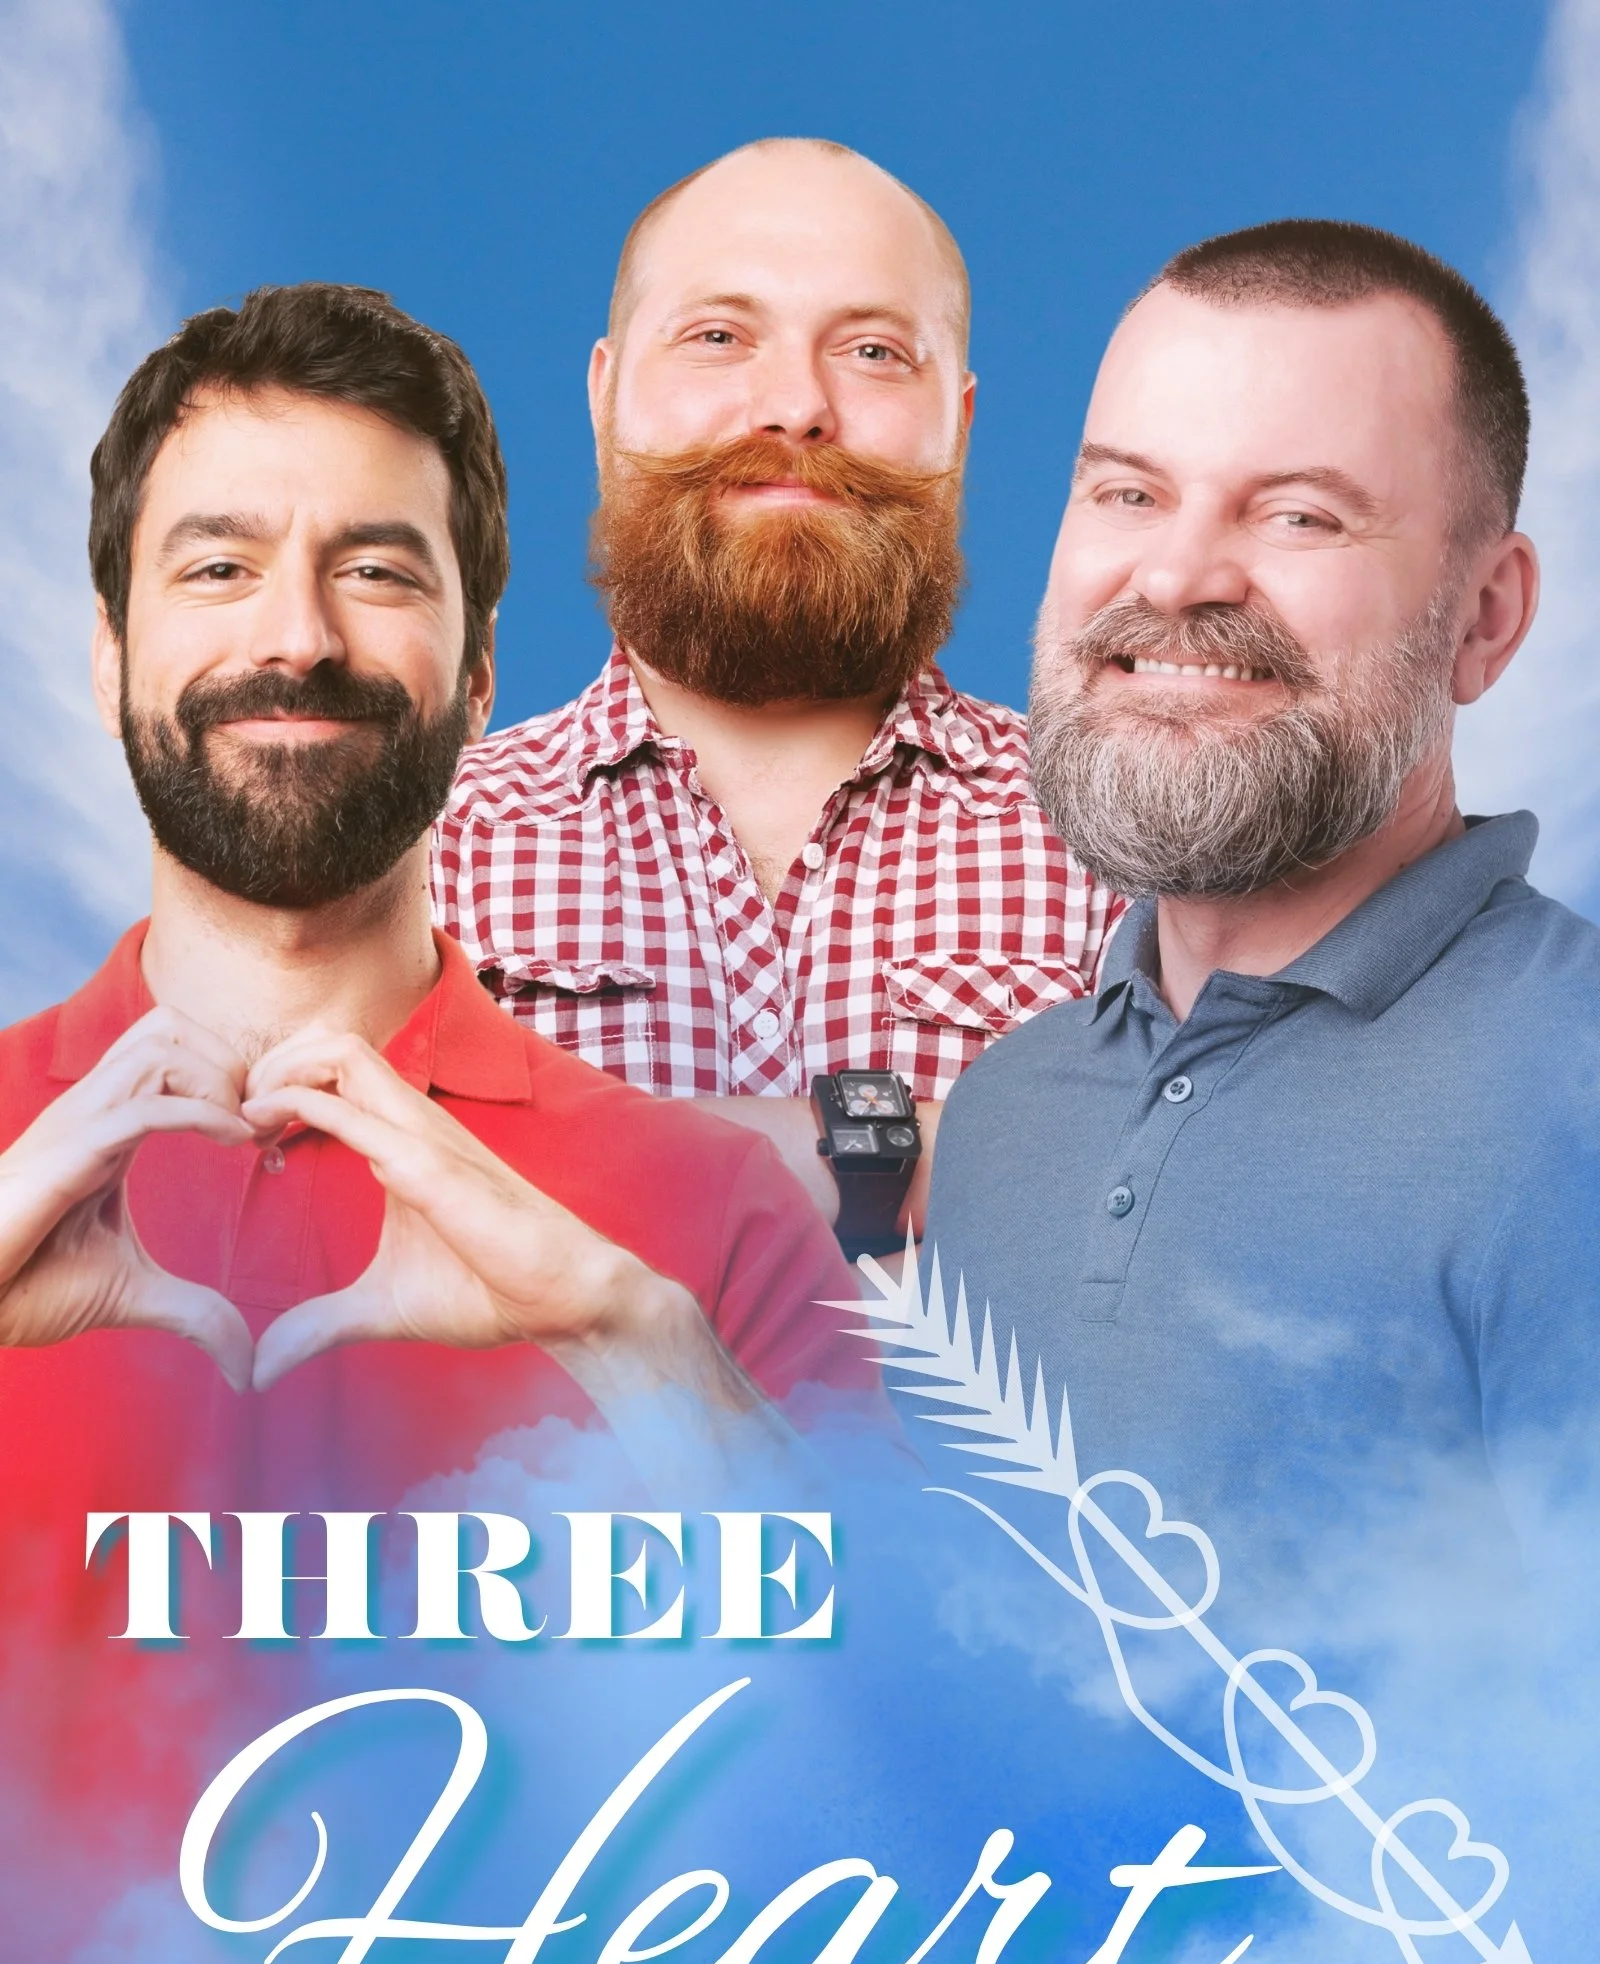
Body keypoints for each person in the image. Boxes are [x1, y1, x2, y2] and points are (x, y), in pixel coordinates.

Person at [0, 281, 871, 1569]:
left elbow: (940, 1743)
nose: (296, 637)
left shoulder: (719, 1211)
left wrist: (644, 1354)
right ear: (109, 652)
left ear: (478, 675)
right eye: (220, 568)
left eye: (372, 571)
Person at [923, 220, 1600, 1584]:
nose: (1175, 580)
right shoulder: (1005, 1117)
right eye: (1125, 495)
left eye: (1299, 515)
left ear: (1485, 620)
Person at [432, 137, 1120, 1255]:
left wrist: (556, 1165)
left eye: (874, 351)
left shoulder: (1120, 843)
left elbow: (1209, 1251)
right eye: (717, 337)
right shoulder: (421, 849)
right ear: (606, 396)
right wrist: (944, 1165)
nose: (796, 405)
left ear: (963, 420)